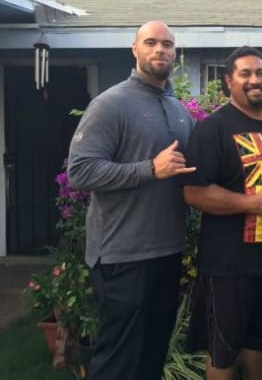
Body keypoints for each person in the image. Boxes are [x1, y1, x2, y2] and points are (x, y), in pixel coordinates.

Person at [67, 21, 196, 380]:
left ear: (175, 53)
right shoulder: (110, 104)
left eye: (167, 44)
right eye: (151, 43)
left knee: (151, 357)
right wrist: (148, 170)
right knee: (117, 362)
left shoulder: (178, 109)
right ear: (134, 50)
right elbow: (81, 172)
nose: (160, 50)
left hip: (167, 252)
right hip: (122, 256)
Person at [183, 46, 262, 380]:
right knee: (224, 350)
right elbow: (192, 191)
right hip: (229, 264)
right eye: (245, 74)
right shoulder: (213, 129)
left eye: (260, 72)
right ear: (228, 81)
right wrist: (250, 204)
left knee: (259, 344)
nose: (255, 80)